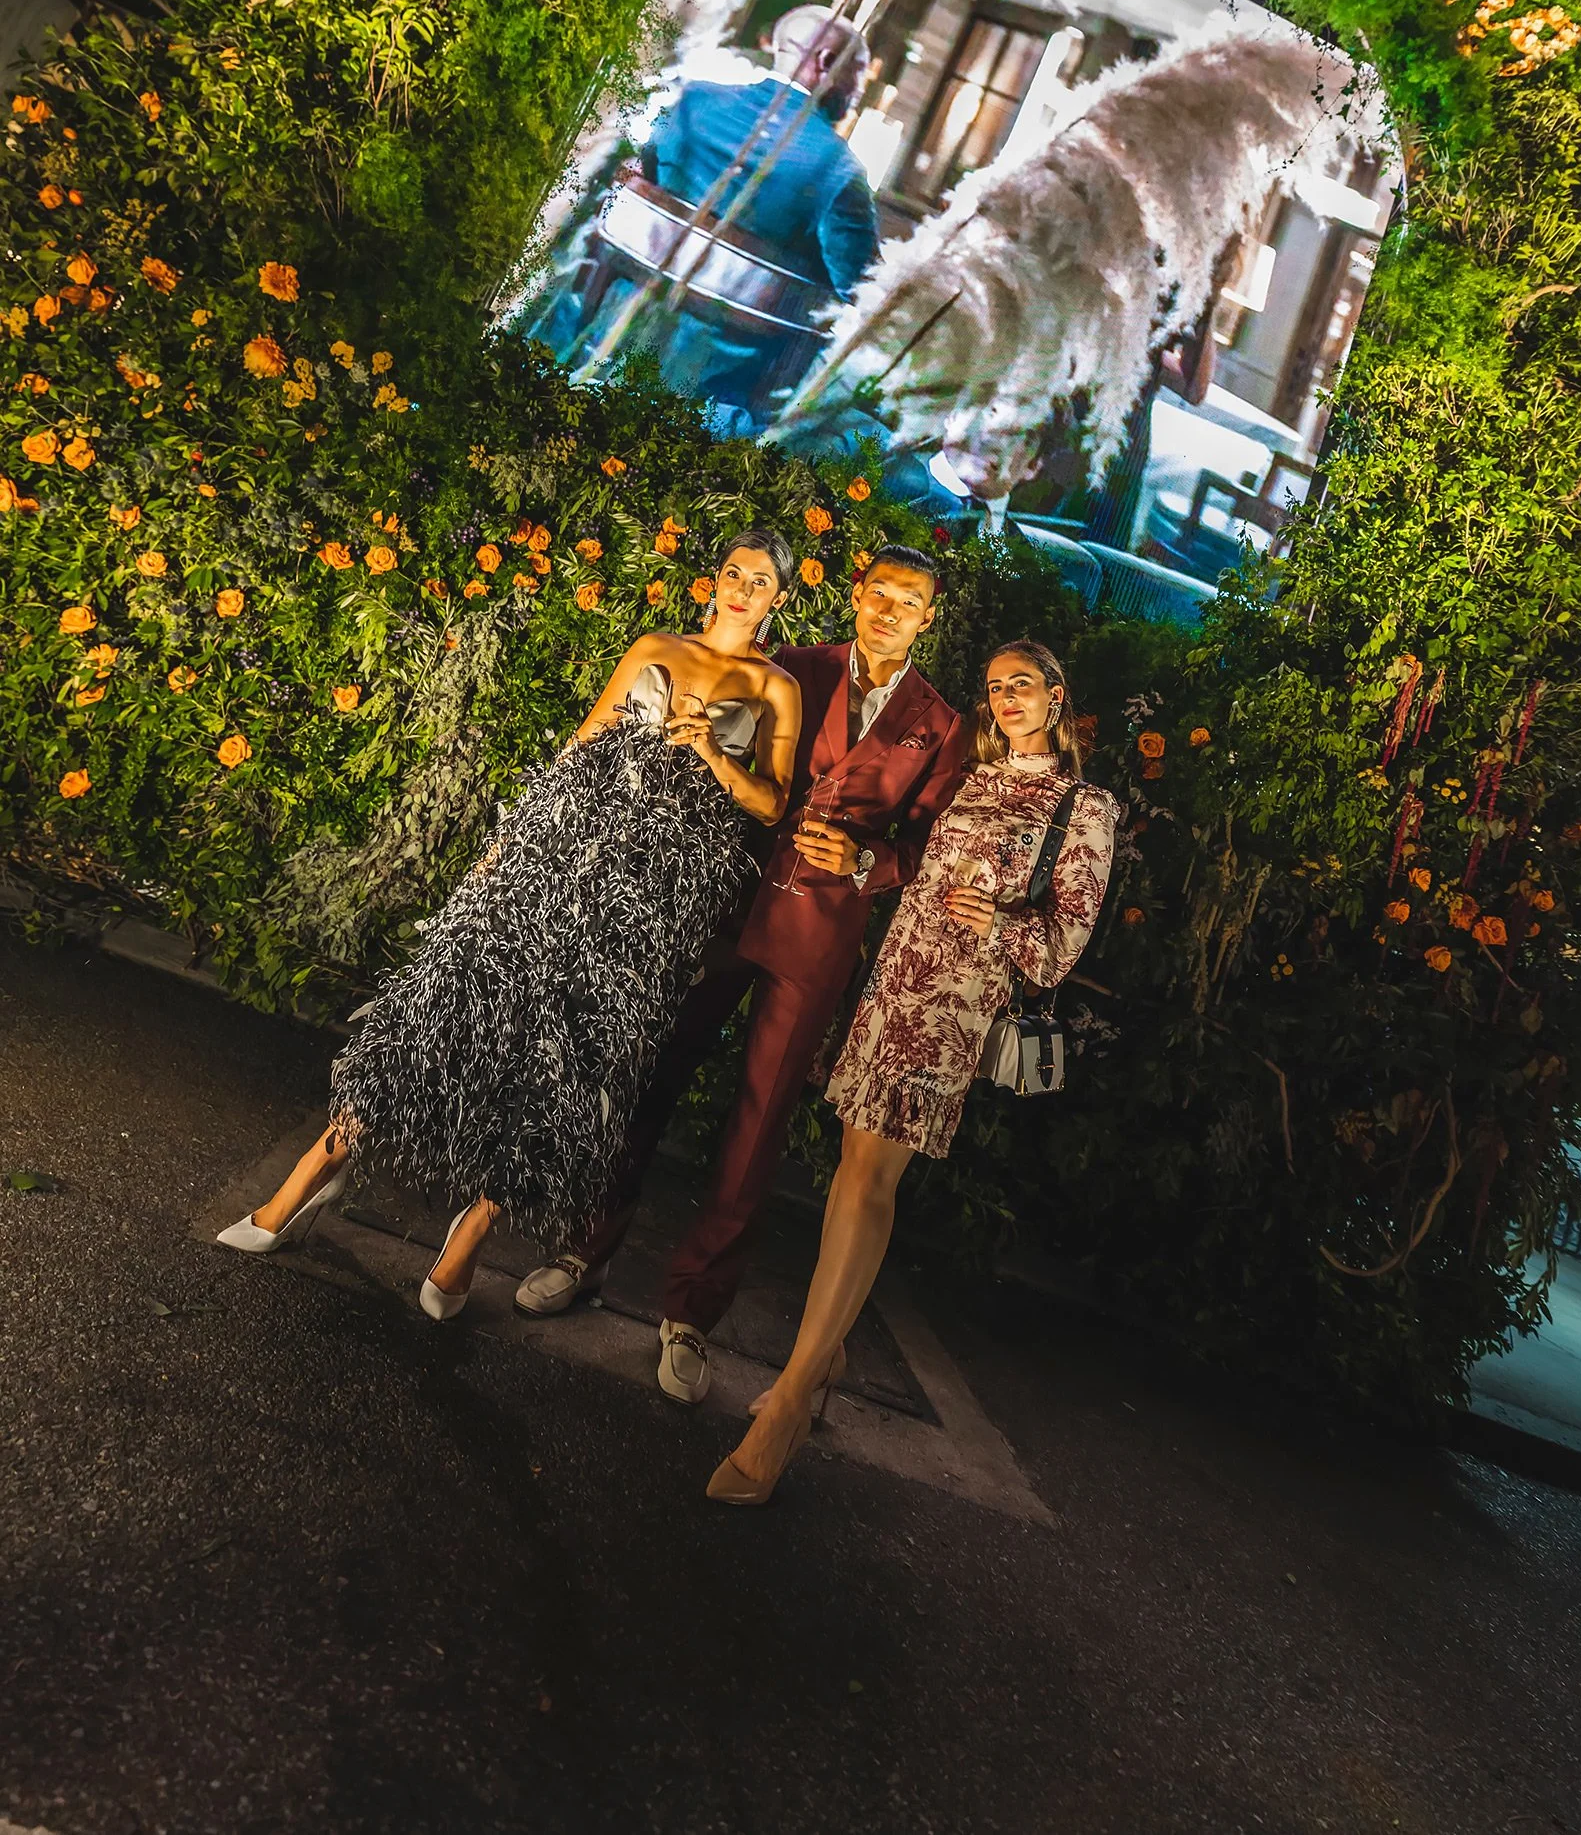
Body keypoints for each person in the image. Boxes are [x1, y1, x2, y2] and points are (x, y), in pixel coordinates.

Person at [215, 532, 803, 1319]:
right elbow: (581, 743)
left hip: (651, 898)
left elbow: (772, 804)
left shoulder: (775, 687)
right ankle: (309, 1178)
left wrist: (714, 756)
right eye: (733, 572)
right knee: (445, 1007)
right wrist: (506, 845)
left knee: (572, 1061)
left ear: (779, 600)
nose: (740, 588)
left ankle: (474, 1234)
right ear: (714, 580)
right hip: (558, 855)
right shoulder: (656, 646)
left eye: (759, 581)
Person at [514, 543, 966, 1404]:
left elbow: (928, 845)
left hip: (817, 933)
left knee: (756, 1125)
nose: (887, 611)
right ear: (857, 595)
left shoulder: (937, 723)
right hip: (720, 901)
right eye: (877, 595)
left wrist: (871, 861)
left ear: (927, 617)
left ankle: (690, 1317)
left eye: (907, 602)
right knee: (648, 1077)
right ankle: (581, 1251)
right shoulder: (789, 667)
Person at [704, 638, 1117, 1504]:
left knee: (867, 1185)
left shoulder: (1082, 807)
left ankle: (785, 1401)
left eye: (1022, 685)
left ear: (1055, 696)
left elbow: (1060, 943)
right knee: (851, 1172)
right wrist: (866, 865)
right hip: (893, 980)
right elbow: (912, 863)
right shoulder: (972, 772)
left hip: (951, 1004)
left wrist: (999, 923)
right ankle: (827, 1357)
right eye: (995, 685)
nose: (1005, 697)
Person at [560, 5, 880, 424]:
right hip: (720, 389)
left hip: (606, 330)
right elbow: (860, 288)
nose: (861, 90)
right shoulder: (840, 169)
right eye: (859, 73)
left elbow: (638, 181)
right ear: (823, 62)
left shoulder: (690, 102)